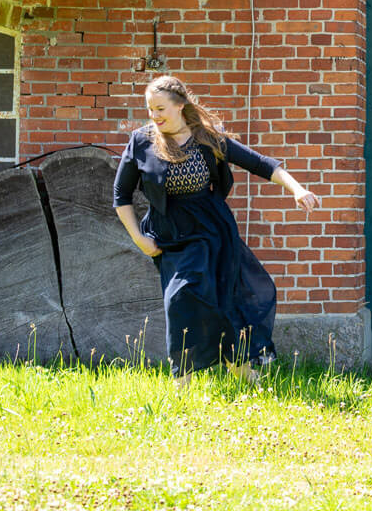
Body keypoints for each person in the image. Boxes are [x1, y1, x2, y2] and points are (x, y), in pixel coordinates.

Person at [113, 74, 319, 382]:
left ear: (180, 106)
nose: (154, 116)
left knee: (224, 300)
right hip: (170, 236)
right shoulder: (142, 141)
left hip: (212, 231)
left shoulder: (207, 137)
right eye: (150, 109)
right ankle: (183, 382)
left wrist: (297, 189)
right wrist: (138, 238)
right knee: (179, 299)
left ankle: (242, 371)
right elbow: (121, 196)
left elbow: (261, 163)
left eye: (160, 109)